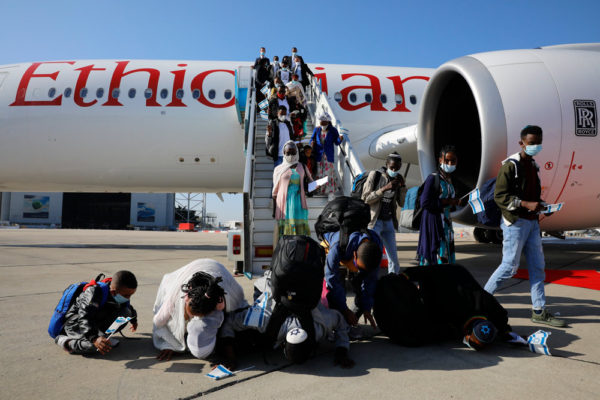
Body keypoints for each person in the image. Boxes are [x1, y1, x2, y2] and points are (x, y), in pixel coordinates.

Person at [484, 125, 565, 327]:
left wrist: (543, 206)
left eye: (538, 142)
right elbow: (500, 197)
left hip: (532, 223)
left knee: (538, 267)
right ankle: (482, 301)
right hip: (515, 223)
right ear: (522, 143)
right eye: (531, 143)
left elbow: (533, 196)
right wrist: (525, 204)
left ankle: (539, 310)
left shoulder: (533, 166)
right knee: (509, 266)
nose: (536, 146)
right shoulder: (510, 166)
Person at [219, 271, 354, 368]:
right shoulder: (262, 320)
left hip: (297, 279)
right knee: (254, 338)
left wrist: (342, 350)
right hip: (271, 281)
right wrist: (341, 351)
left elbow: (340, 320)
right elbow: (230, 320)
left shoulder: (320, 326)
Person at [375, 264, 512, 350]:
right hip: (441, 278)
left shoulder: (492, 309)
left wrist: (506, 332)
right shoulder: (447, 308)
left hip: (460, 274)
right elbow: (427, 271)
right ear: (468, 333)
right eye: (472, 342)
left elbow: (502, 318)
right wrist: (406, 275)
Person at [152, 259, 247, 361]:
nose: (195, 318)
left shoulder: (224, 301)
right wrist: (169, 343)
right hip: (192, 269)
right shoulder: (176, 297)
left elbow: (231, 323)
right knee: (170, 320)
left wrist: (229, 355)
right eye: (192, 315)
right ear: (186, 298)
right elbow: (158, 322)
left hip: (218, 270)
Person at [54, 270, 138, 355]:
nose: (128, 298)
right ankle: (65, 342)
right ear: (113, 291)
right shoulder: (94, 292)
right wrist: (94, 338)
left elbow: (127, 306)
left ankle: (102, 337)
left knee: (126, 312)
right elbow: (84, 317)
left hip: (93, 320)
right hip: (76, 324)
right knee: (94, 346)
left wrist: (134, 320)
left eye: (131, 295)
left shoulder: (117, 293)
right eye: (126, 295)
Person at [322, 229, 383, 328]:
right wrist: (344, 310)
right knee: (334, 293)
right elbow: (332, 280)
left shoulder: (376, 243)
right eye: (359, 268)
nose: (358, 271)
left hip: (352, 254)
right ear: (354, 255)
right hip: (336, 253)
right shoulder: (336, 247)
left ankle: (350, 323)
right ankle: (339, 322)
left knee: (361, 289)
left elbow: (371, 280)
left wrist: (367, 307)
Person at [417, 145, 464, 265]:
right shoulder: (433, 179)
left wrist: (455, 201)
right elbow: (425, 202)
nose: (449, 163)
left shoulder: (449, 180)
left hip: (446, 223)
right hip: (434, 222)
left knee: (445, 253)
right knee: (435, 252)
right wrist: (449, 201)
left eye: (453, 161)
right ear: (440, 160)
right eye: (447, 160)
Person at [362, 153, 407, 274]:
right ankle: (371, 282)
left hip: (389, 222)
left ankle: (393, 283)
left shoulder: (398, 179)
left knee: (393, 259)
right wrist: (384, 189)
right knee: (373, 256)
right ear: (387, 164)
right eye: (392, 167)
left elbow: (402, 203)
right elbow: (366, 198)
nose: (394, 170)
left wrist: (402, 187)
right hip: (375, 222)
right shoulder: (375, 175)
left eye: (397, 168)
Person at [272, 141, 313, 239]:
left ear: (297, 152)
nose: (291, 155)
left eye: (293, 152)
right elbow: (275, 192)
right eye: (288, 153)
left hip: (298, 202)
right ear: (284, 153)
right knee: (284, 233)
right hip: (283, 204)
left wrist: (314, 187)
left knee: (299, 232)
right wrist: (274, 211)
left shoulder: (302, 166)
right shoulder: (278, 169)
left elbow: (311, 182)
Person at [310, 112, 343, 200]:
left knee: (328, 174)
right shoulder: (317, 130)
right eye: (321, 122)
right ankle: (320, 190)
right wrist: (312, 143)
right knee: (319, 173)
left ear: (328, 122)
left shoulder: (333, 130)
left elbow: (336, 142)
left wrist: (340, 139)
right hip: (319, 155)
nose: (322, 124)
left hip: (328, 156)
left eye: (324, 123)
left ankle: (331, 193)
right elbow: (311, 139)